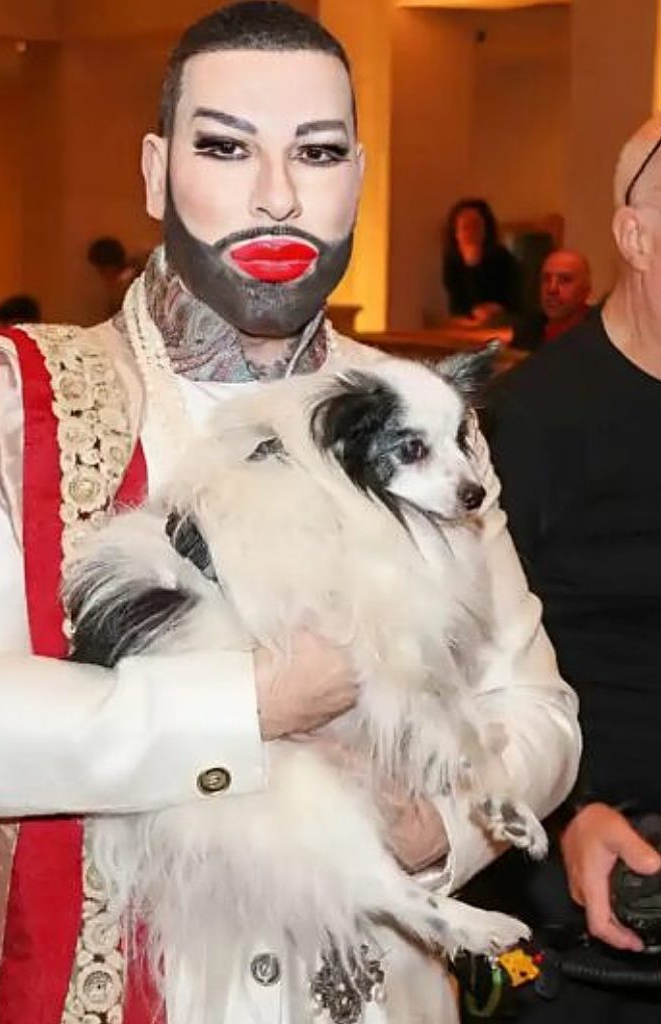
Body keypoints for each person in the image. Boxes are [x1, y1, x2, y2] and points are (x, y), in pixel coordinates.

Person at [0, 5, 580, 1024]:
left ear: (358, 177)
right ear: (155, 170)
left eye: (317, 152)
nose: (277, 194)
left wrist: (435, 827)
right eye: (226, 147)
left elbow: (537, 711)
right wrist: (250, 702)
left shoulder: (418, 417)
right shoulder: (24, 401)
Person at [479, 115, 661, 1023]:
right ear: (636, 236)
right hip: (585, 888)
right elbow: (467, 666)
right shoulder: (530, 420)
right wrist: (566, 815)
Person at [442, 199, 521, 327]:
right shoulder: (452, 261)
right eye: (465, 227)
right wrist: (471, 266)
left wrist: (497, 308)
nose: (471, 232)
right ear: (456, 233)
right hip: (467, 325)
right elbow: (457, 305)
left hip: (501, 322)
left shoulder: (502, 257)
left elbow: (515, 300)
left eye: (476, 225)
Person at [512, 250, 593, 352]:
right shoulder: (535, 324)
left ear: (586, 290)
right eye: (546, 279)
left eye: (565, 280)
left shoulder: (597, 332)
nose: (552, 288)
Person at [87, 235, 137, 315]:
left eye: (101, 270)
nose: (100, 275)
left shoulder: (126, 286)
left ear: (109, 267)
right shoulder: (122, 283)